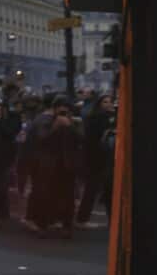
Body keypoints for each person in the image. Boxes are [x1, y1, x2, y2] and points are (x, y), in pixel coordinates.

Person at [26, 97, 82, 238]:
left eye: (66, 109)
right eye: (61, 109)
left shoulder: (74, 123)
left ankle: (66, 226)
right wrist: (55, 127)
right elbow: (42, 140)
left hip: (67, 165)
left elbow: (81, 140)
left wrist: (70, 126)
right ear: (55, 109)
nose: (63, 112)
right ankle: (42, 225)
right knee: (46, 195)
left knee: (68, 197)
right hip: (49, 165)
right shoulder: (46, 122)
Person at [76, 94, 115, 228]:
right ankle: (82, 218)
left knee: (99, 189)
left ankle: (84, 218)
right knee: (93, 189)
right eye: (105, 102)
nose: (108, 104)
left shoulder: (106, 118)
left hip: (101, 158)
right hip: (97, 158)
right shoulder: (99, 119)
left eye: (110, 101)